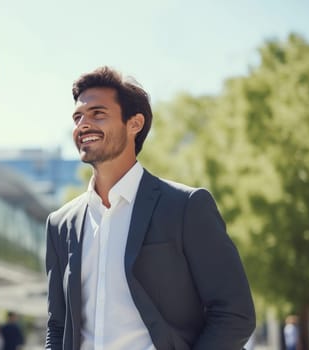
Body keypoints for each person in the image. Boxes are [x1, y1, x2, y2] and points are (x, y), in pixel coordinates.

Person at [45, 66, 255, 350]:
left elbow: (234, 314)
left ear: (135, 124)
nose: (83, 124)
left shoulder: (185, 207)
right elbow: (58, 326)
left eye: (98, 114)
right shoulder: (60, 224)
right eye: (78, 116)